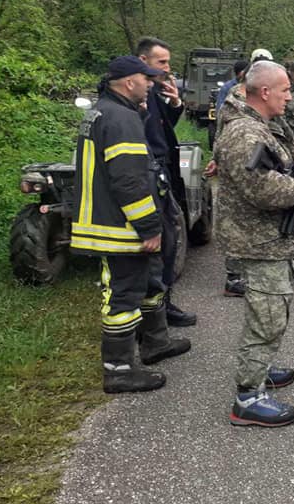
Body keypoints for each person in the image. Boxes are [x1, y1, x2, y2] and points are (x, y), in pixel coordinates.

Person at [214, 60, 294, 427]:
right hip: (257, 239)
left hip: (272, 237)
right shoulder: (244, 133)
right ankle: (248, 397)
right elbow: (261, 187)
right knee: (267, 315)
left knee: (273, 309)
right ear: (264, 92)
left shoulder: (269, 124)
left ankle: (260, 368)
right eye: (284, 90)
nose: (290, 96)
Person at [71, 56, 191, 394]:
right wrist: (149, 226)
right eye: (146, 78)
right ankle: (119, 370)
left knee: (150, 282)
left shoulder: (107, 112)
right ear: (127, 82)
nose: (151, 84)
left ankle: (155, 342)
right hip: (118, 226)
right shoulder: (120, 118)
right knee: (123, 296)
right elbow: (129, 181)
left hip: (120, 221)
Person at [136, 36, 197, 328]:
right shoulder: (135, 96)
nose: (167, 67)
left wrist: (174, 104)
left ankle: (164, 305)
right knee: (160, 246)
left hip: (162, 173)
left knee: (169, 243)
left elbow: (161, 130)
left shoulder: (152, 93)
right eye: (162, 62)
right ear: (143, 61)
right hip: (150, 177)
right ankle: (156, 313)